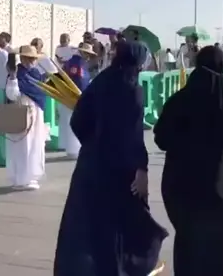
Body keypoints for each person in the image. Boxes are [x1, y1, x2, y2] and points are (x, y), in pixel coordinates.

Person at [53, 41, 168, 276]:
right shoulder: (132, 89)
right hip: (120, 169)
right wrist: (142, 169)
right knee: (121, 221)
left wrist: (94, 144)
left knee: (87, 222)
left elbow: (78, 120)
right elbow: (133, 135)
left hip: (91, 164)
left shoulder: (101, 81)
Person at [153, 46, 223, 276]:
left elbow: (161, 138)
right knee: (221, 246)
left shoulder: (181, 99)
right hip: (220, 188)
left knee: (189, 242)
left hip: (182, 186)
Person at [3, 46, 48, 190]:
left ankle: (31, 177)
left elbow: (41, 92)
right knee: (22, 146)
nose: (31, 61)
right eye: (28, 58)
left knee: (35, 144)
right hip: (21, 111)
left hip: (36, 113)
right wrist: (13, 78)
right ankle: (21, 179)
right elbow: (12, 95)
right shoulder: (17, 73)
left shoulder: (36, 74)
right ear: (22, 58)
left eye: (33, 58)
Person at [57, 43, 96, 159]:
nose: (88, 57)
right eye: (87, 54)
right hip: (74, 95)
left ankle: (74, 148)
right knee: (73, 121)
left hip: (77, 95)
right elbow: (77, 81)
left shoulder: (80, 63)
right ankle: (73, 149)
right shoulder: (76, 63)